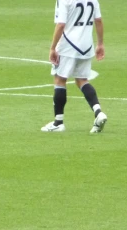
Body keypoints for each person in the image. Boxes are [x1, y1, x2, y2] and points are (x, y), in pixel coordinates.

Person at [42, 0, 108, 133]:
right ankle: (98, 112)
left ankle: (58, 123)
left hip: (68, 45)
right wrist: (100, 44)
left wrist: (53, 47)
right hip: (86, 45)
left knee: (60, 80)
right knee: (82, 80)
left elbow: (61, 24)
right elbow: (99, 20)